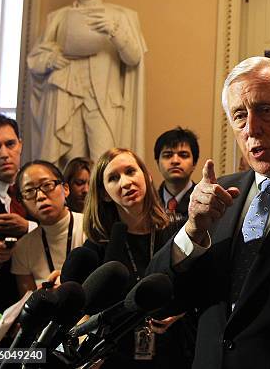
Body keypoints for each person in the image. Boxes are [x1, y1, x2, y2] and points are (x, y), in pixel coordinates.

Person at [147, 57, 270, 369]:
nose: (251, 128)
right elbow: (159, 300)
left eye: (265, 110)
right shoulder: (219, 196)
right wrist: (193, 231)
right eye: (239, 116)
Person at [27, 0, 146, 166]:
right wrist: (52, 58)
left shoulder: (119, 16)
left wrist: (114, 31)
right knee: (73, 167)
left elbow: (134, 58)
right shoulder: (59, 18)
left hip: (103, 103)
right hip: (67, 100)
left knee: (107, 162)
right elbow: (35, 60)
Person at [82, 148, 191, 368]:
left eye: (131, 171)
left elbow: (197, 288)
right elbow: (88, 311)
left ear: (147, 176)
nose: (126, 182)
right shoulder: (99, 244)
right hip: (117, 358)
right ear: (104, 193)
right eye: (113, 178)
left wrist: (180, 311)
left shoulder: (178, 229)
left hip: (173, 354)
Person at [0, 114, 35, 346]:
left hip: (41, 321)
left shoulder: (43, 191)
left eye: (10, 144)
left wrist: (30, 227)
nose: (3, 153)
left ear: (20, 144)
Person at [11, 160, 86, 295]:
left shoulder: (90, 227)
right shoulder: (22, 247)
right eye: (29, 191)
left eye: (47, 185)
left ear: (66, 189)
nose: (40, 196)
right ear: (22, 203)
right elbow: (28, 303)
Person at [153, 128, 199, 224]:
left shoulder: (203, 202)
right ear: (158, 163)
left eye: (183, 155)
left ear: (194, 163)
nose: (175, 161)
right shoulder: (149, 203)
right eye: (167, 155)